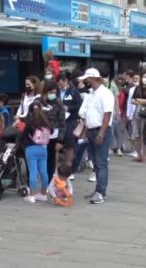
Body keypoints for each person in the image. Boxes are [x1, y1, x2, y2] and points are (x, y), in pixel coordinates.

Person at [78, 68, 114, 204]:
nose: (86, 81)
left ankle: (101, 192)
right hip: (92, 130)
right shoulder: (91, 94)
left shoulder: (106, 94)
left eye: (88, 79)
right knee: (95, 163)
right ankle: (98, 189)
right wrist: (87, 129)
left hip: (101, 130)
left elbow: (107, 114)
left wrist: (101, 133)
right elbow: (89, 113)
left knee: (101, 162)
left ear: (95, 79)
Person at [31, 81, 66, 180]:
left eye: (54, 93)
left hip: (53, 135)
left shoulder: (59, 104)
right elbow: (32, 109)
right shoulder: (39, 101)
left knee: (51, 159)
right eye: (50, 92)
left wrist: (60, 140)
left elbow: (62, 123)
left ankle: (49, 181)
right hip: (40, 134)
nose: (52, 95)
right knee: (41, 158)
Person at [22, 103, 51, 203]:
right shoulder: (46, 123)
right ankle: (43, 194)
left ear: (30, 112)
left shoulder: (29, 123)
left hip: (31, 149)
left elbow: (23, 136)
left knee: (33, 172)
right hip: (43, 149)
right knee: (44, 172)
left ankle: (32, 195)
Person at [57, 73, 82, 166]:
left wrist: (68, 108)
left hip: (70, 120)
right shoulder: (56, 92)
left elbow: (79, 105)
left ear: (65, 81)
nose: (60, 86)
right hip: (59, 120)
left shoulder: (74, 91)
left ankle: (70, 164)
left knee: (70, 142)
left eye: (61, 83)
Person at [131, 71, 146, 162]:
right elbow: (132, 100)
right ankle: (139, 154)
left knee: (145, 135)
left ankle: (145, 155)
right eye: (144, 76)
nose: (145, 79)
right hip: (137, 114)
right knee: (135, 135)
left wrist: (138, 100)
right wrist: (142, 101)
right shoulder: (137, 88)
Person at [125, 73, 140, 157]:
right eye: (134, 78)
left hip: (140, 113)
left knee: (138, 133)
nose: (135, 80)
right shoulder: (131, 89)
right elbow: (129, 102)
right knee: (132, 132)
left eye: (137, 78)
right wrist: (128, 114)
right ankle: (135, 149)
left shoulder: (142, 89)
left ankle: (138, 151)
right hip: (132, 113)